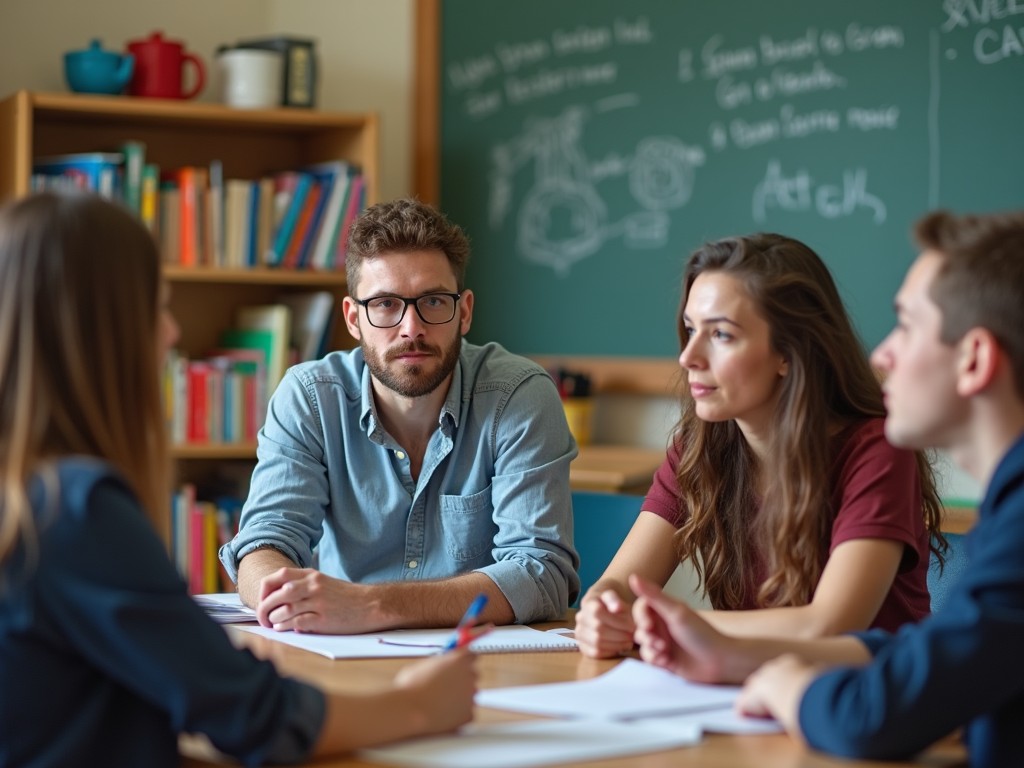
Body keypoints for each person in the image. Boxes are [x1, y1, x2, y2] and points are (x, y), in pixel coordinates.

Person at [0, 192, 477, 768]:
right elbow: (250, 714)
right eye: (158, 307)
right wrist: (420, 705)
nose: (172, 333)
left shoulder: (27, 497)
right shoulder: (73, 512)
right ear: (101, 329)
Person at [631, 210, 1024, 766]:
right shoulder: (1007, 512)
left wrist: (790, 683)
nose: (882, 354)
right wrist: (730, 655)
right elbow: (930, 652)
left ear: (976, 359)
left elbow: (875, 710)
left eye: (907, 325)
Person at [575, 233, 945, 658]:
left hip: (868, 704)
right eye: (692, 329)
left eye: (722, 336)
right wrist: (601, 609)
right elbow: (621, 584)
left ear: (789, 352)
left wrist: (667, 622)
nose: (689, 356)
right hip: (744, 694)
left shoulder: (877, 450)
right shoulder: (699, 447)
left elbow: (829, 624)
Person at [219, 198, 579, 633]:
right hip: (341, 656)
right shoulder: (311, 398)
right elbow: (265, 541)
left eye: (432, 301)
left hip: (478, 663)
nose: (411, 328)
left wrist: (372, 605)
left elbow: (542, 573)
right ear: (354, 318)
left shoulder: (517, 396)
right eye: (386, 304)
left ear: (463, 311)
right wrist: (283, 595)